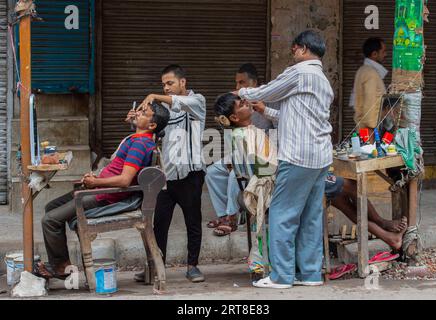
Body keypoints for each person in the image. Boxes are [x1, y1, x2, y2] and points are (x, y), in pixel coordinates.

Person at [235, 30, 334, 289]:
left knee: (281, 213)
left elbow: (267, 90)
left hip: (298, 156)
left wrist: (242, 93)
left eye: (293, 50)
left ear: (301, 49)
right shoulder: (322, 79)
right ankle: (310, 274)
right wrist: (264, 110)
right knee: (310, 215)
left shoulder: (299, 72)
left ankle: (281, 276)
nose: (293, 55)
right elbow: (296, 116)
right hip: (320, 157)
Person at [35, 102, 170, 280]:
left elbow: (124, 180)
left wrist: (96, 182)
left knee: (50, 220)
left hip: (105, 196)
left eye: (143, 112)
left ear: (152, 125)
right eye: (139, 109)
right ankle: (62, 263)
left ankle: (61, 268)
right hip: (100, 189)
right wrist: (95, 180)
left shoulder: (140, 145)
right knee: (51, 207)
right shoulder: (139, 139)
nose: (137, 113)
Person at [133, 64, 207, 283]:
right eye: (163, 84)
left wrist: (153, 95)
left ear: (182, 82)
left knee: (193, 221)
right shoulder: (164, 110)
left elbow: (179, 102)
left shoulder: (197, 101)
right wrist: (135, 121)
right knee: (159, 224)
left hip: (191, 174)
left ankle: (192, 266)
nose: (166, 88)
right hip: (167, 176)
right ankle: (157, 266)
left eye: (170, 83)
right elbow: (152, 128)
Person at [205, 64, 276, 237]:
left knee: (235, 173)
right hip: (244, 149)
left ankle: (232, 216)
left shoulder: (266, 102)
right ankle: (223, 215)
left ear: (255, 83)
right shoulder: (239, 107)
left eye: (242, 83)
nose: (238, 88)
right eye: (237, 83)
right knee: (212, 172)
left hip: (264, 154)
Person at [325, 175, 408, 250]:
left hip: (316, 182)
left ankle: (390, 238)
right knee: (353, 186)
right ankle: (381, 222)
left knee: (338, 199)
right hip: (315, 179)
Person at [351, 37, 388, 139]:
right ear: (374, 54)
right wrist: (371, 132)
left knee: (365, 151)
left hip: (364, 128)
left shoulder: (363, 70)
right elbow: (370, 104)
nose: (385, 55)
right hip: (369, 130)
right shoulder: (370, 74)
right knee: (369, 152)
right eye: (383, 51)